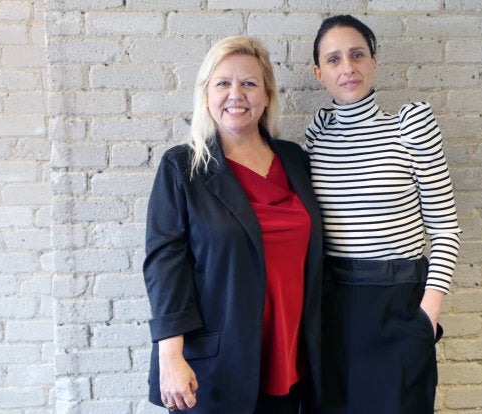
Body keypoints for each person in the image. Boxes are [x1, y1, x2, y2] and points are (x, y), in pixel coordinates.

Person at [143, 35, 323, 414]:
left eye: (249, 83)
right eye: (223, 83)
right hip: (216, 365)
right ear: (206, 94)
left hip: (289, 357)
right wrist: (169, 355)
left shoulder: (295, 161)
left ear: (268, 95)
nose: (235, 93)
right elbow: (165, 267)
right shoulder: (182, 168)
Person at [305, 15, 462, 414]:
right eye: (335, 59)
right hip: (331, 310)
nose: (348, 68)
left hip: (400, 307)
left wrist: (427, 314)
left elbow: (446, 228)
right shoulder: (317, 136)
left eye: (357, 55)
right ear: (319, 73)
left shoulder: (410, 127)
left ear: (374, 62)